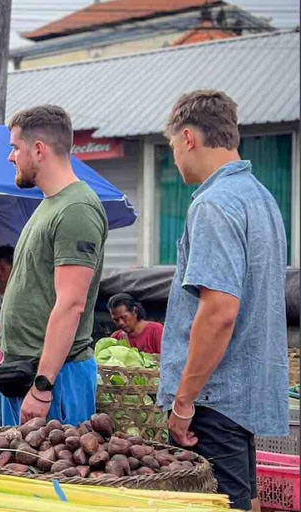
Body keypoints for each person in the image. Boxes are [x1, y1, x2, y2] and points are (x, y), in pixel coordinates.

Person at [157, 90, 288, 512]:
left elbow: (219, 312)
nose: (175, 157)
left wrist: (183, 402)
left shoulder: (214, 204)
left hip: (213, 400)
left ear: (189, 138)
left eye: (173, 146)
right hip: (244, 396)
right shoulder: (261, 198)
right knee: (244, 501)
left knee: (219, 505)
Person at [0, 105, 108, 426]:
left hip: (56, 379)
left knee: (56, 462)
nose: (10, 157)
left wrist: (43, 386)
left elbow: (72, 304)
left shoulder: (76, 209)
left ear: (38, 149)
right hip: (28, 373)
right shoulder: (52, 204)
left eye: (15, 148)